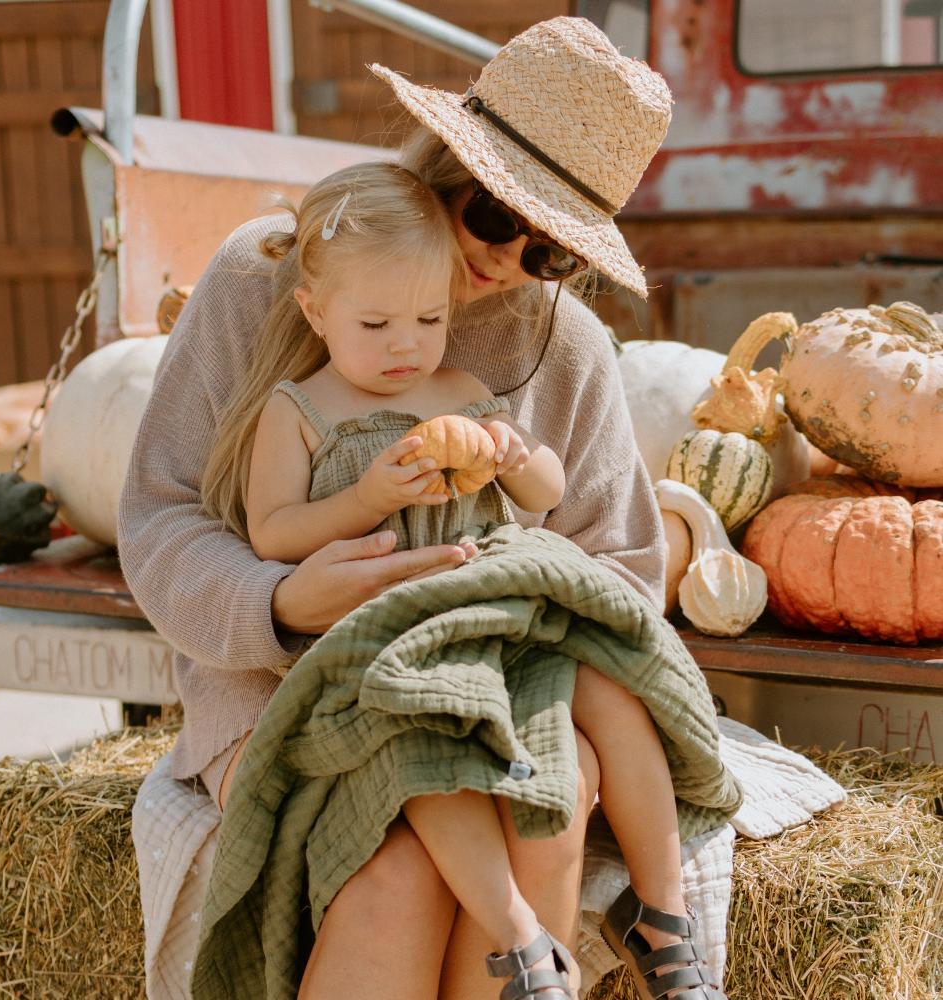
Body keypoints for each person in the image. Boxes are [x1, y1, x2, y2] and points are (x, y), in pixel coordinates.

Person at [119, 16, 728, 1000]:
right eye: (494, 215)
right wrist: (277, 601)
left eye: (550, 250)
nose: (509, 257)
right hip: (279, 684)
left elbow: (622, 567)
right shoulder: (269, 274)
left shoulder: (561, 346)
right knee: (395, 868)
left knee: (551, 795)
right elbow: (157, 516)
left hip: (491, 676)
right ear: (449, 153)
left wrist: (504, 633)